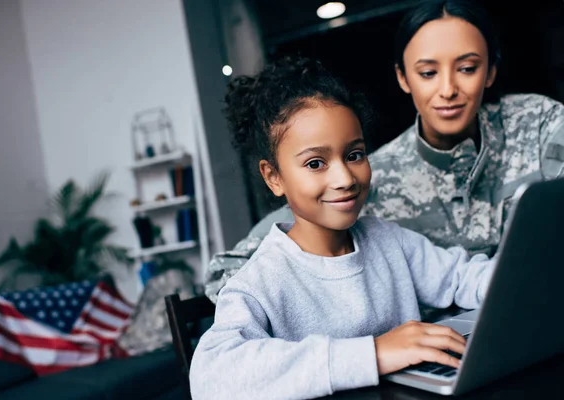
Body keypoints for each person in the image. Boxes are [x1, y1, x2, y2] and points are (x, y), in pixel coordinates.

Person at [205, 0, 564, 304]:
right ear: (403, 78)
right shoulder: (365, 179)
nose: (448, 89)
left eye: (467, 68)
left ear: (490, 71)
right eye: (427, 73)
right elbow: (233, 271)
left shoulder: (537, 124)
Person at [189, 55, 495, 399]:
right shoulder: (259, 283)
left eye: (354, 155)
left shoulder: (387, 240)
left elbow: (462, 277)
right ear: (274, 177)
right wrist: (374, 354)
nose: (345, 178)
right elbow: (211, 379)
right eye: (316, 163)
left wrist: (523, 278)